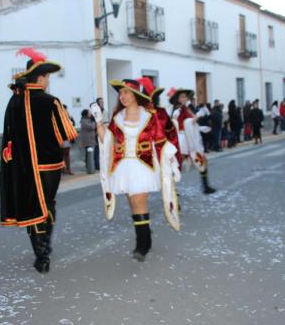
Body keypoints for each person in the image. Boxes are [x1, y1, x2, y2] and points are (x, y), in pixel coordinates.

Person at [0, 48, 78, 273]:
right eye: (47, 77)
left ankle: (40, 253)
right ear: (41, 77)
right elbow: (68, 133)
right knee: (48, 204)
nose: (48, 81)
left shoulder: (13, 102)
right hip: (48, 165)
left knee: (32, 206)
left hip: (23, 166)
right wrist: (67, 117)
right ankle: (45, 247)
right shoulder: (50, 101)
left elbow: (9, 135)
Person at [94, 79, 180, 262]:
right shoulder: (117, 117)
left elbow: (160, 141)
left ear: (135, 95)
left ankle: (143, 244)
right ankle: (145, 233)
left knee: (139, 201)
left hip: (144, 165)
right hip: (123, 167)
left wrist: (172, 162)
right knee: (133, 203)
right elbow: (108, 141)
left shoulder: (149, 116)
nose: (122, 96)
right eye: (121, 93)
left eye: (126, 92)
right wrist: (99, 122)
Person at [169, 88, 216, 194]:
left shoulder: (185, 108)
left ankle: (205, 186)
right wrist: (199, 114)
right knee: (178, 165)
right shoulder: (177, 110)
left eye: (185, 96)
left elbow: (192, 120)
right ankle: (172, 190)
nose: (185, 98)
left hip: (188, 138)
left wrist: (198, 117)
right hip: (182, 140)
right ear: (178, 98)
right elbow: (181, 123)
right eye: (182, 96)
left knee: (200, 160)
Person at [61, 104, 75, 175]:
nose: (66, 111)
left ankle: (68, 169)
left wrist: (71, 118)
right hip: (60, 138)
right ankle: (64, 168)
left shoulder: (68, 117)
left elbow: (73, 124)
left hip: (67, 138)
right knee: (62, 154)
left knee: (66, 154)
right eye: (65, 109)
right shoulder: (58, 116)